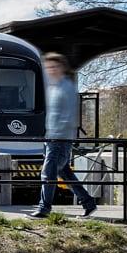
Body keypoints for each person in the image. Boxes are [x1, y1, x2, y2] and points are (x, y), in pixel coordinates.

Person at [29, 52, 97, 219]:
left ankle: (44, 209)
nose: (50, 70)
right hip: (52, 138)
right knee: (65, 173)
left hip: (59, 139)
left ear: (61, 68)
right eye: (48, 67)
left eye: (54, 67)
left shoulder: (66, 87)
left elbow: (69, 116)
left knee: (48, 173)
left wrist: (56, 135)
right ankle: (88, 203)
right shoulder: (54, 88)